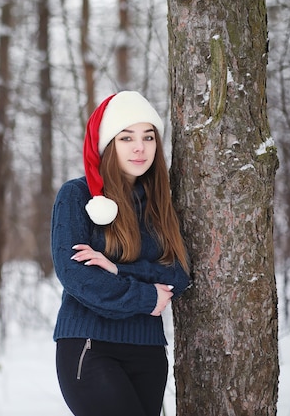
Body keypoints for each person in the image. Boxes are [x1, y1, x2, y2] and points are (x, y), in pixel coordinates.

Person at [51, 91, 191, 416]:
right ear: (108, 144)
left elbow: (178, 275)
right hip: (90, 346)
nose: (139, 147)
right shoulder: (77, 195)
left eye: (148, 137)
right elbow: (75, 275)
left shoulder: (159, 203)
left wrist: (117, 270)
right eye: (126, 137)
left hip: (149, 351)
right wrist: (146, 298)